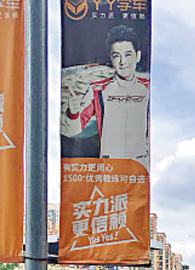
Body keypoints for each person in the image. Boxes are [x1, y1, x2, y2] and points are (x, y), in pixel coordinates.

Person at [63, 25, 149, 166]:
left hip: (139, 169)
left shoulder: (147, 87)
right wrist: (73, 111)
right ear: (111, 58)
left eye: (128, 55)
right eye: (116, 56)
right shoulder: (97, 89)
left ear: (137, 56)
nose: (122, 62)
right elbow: (73, 130)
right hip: (109, 169)